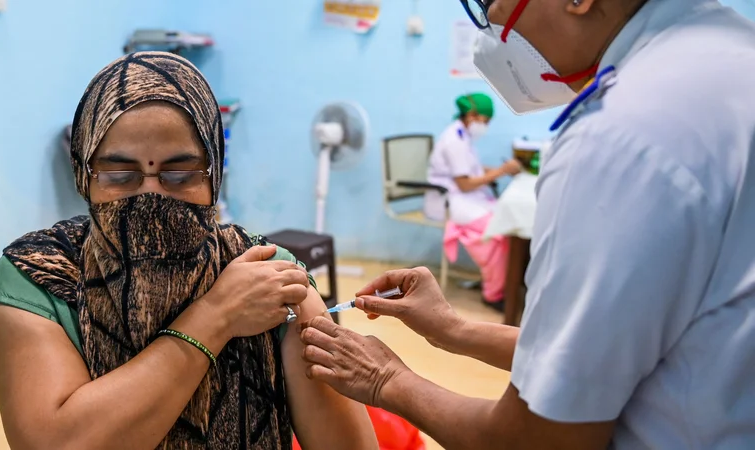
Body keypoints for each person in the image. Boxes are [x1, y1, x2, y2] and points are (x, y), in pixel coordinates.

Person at [300, 0, 755, 448]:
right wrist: (455, 331)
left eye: (489, 1)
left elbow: (536, 439)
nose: (491, 23)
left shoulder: (617, 140)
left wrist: (386, 380)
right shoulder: (727, 54)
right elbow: (598, 353)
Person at [0, 52, 377, 450]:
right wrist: (216, 316)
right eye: (120, 175)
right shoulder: (40, 277)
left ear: (215, 172)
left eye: (181, 174)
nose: (151, 195)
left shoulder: (268, 279)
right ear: (84, 175)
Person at [424, 93, 522, 311]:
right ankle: (493, 294)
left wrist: (498, 171)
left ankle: (498, 281)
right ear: (471, 115)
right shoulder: (454, 140)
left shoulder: (463, 135)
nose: (485, 126)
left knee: (507, 222)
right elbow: (465, 184)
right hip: (450, 201)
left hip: (465, 198)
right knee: (496, 230)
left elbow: (472, 170)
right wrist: (501, 172)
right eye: (485, 121)